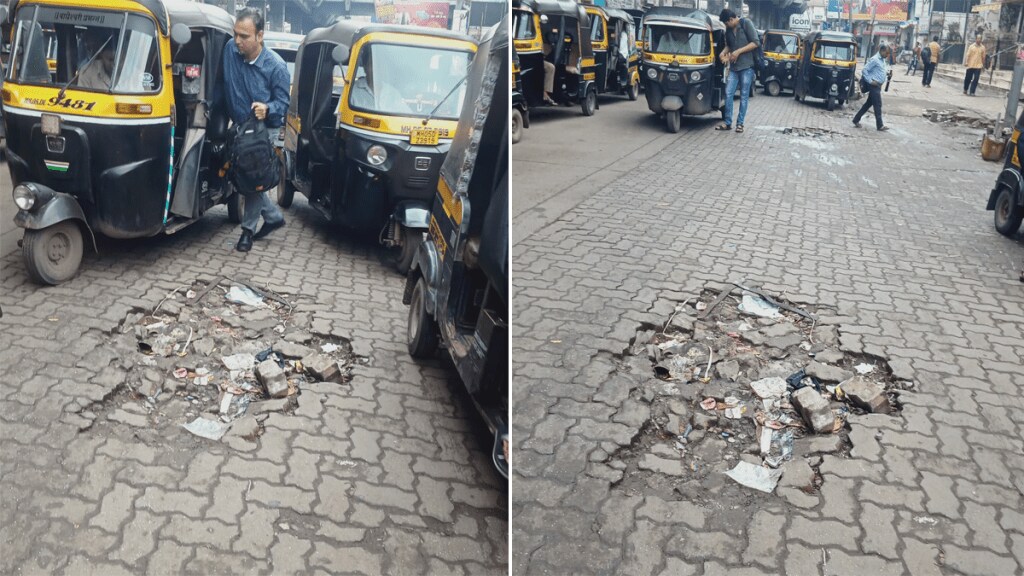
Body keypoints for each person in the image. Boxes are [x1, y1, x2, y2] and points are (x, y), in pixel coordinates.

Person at [222, 7, 290, 252]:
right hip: (239, 127)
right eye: (235, 34)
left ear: (260, 36)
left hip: (264, 131)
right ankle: (272, 217)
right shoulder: (231, 50)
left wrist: (268, 108)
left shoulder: (277, 67)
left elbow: (284, 104)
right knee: (245, 176)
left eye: (244, 36)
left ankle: (247, 232)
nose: (237, 41)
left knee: (253, 177)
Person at [716, 8, 759, 133]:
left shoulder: (746, 24)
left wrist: (738, 51)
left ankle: (740, 124)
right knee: (728, 93)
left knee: (744, 95)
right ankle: (728, 122)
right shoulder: (729, 30)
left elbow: (756, 43)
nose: (726, 25)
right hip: (734, 68)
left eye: (726, 23)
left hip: (747, 67)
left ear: (731, 19)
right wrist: (722, 53)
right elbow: (729, 45)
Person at [853, 44, 890, 131]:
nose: (887, 55)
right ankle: (880, 125)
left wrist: (887, 74)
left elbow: (879, 70)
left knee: (868, 104)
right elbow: (865, 70)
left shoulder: (882, 60)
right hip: (873, 85)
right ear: (882, 51)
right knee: (877, 104)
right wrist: (870, 81)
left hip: (878, 85)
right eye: (886, 53)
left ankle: (856, 119)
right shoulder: (875, 59)